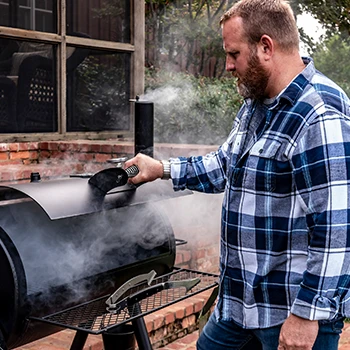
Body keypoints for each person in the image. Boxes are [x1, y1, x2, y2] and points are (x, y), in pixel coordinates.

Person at [125, 0, 350, 348]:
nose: (228, 66)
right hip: (238, 305)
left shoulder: (319, 113)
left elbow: (337, 226)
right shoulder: (257, 105)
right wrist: (163, 169)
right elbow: (224, 165)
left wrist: (306, 315)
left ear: (265, 47)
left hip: (290, 310)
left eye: (234, 54)